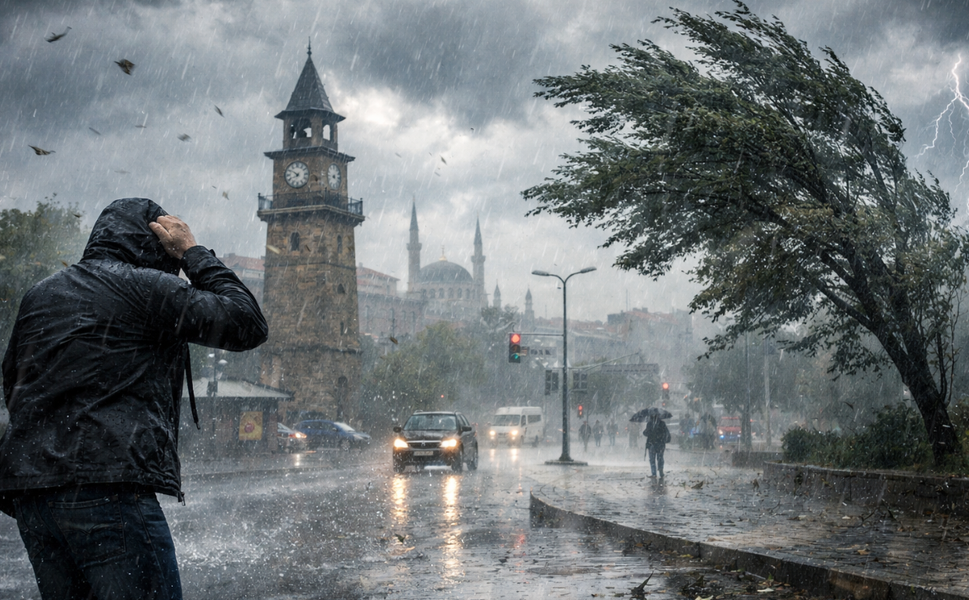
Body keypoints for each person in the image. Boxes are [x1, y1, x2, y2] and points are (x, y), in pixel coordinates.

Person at [0, 198, 268, 600]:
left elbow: (14, 383)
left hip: (33, 496)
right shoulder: (146, 288)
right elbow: (247, 323)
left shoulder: (41, 293)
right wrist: (193, 252)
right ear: (157, 244)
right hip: (105, 488)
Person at [643, 414, 671, 478]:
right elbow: (666, 433)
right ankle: (660, 472)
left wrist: (649, 433)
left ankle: (654, 473)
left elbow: (645, 433)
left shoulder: (650, 424)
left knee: (653, 459)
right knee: (659, 458)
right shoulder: (662, 423)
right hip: (659, 444)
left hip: (652, 444)